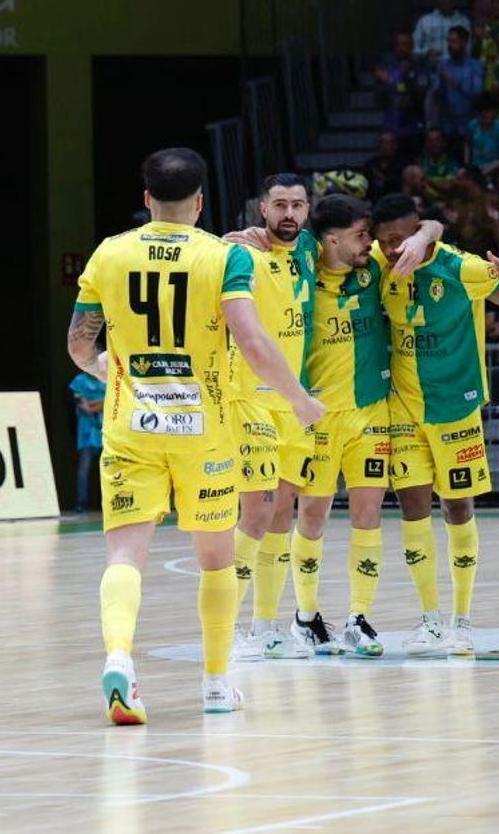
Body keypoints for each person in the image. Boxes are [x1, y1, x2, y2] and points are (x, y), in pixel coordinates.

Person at [69, 147, 322, 725]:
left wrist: (109, 368)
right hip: (203, 430)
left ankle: (119, 659)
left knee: (125, 555)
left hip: (131, 427)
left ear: (147, 199)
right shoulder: (223, 256)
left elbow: (81, 344)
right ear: (201, 202)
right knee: (215, 561)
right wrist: (298, 399)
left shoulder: (110, 253)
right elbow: (252, 343)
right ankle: (215, 683)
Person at [373, 195, 499, 656]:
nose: (392, 250)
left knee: (458, 509)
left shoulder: (461, 268)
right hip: (403, 408)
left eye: (400, 239)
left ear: (416, 231)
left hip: (455, 406)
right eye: (384, 241)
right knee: (412, 510)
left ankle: (463, 620)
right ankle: (430, 620)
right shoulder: (379, 261)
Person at [281, 194, 390, 659]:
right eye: (360, 235)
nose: (369, 242)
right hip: (319, 419)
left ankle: (359, 618)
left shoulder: (374, 266)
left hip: (370, 414)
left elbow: (425, 231)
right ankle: (306, 616)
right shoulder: (301, 271)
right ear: (331, 240)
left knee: (368, 514)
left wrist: (428, 231)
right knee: (312, 516)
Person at [221, 174, 321, 661]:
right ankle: (226, 628)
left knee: (282, 513)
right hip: (250, 399)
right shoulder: (241, 254)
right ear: (262, 209)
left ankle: (265, 627)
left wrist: (427, 231)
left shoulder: (311, 251)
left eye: (297, 205)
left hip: (293, 405)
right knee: (257, 513)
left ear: (308, 210)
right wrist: (225, 239)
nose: (289, 214)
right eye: (279, 205)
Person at [68, 371, 103, 513]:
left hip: (105, 432)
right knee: (84, 469)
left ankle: (109, 502)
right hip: (87, 432)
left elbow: (113, 401)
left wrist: (101, 403)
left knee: (110, 469)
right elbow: (83, 405)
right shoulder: (80, 381)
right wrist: (99, 403)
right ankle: (81, 503)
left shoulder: (106, 379)